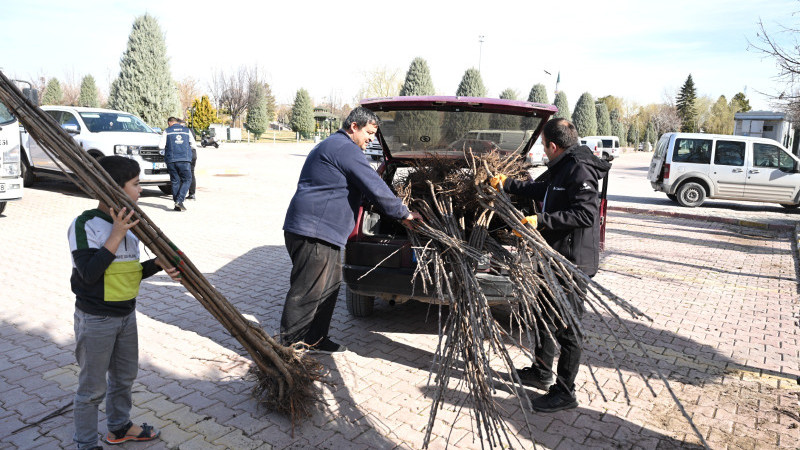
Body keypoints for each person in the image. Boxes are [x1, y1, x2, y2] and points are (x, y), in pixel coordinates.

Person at [490, 118, 611, 412]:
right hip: (553, 256)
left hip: (571, 262)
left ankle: (566, 391)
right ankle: (542, 371)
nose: (544, 152)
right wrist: (506, 184)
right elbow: (540, 189)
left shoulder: (580, 169)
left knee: (568, 327)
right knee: (544, 313)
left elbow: (585, 214)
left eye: (544, 147)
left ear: (554, 146)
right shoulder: (561, 167)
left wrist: (540, 221)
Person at [281, 107, 421, 352]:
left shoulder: (336, 146)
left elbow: (359, 191)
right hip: (314, 232)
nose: (371, 139)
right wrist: (404, 213)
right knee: (307, 292)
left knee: (328, 288)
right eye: (368, 133)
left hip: (322, 233)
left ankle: (316, 339)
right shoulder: (344, 148)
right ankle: (290, 348)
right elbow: (373, 184)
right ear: (353, 127)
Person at [68, 156, 181, 449]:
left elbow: (129, 272)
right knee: (91, 389)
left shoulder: (131, 226)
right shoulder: (85, 224)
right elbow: (91, 274)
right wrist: (116, 235)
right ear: (114, 188)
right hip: (96, 319)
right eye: (136, 183)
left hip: (126, 315)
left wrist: (157, 263)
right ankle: (85, 443)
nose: (140, 190)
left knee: (124, 378)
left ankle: (119, 428)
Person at [159, 117, 195, 211]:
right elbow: (193, 145)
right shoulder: (187, 130)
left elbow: (161, 146)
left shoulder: (167, 131)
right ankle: (179, 200)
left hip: (171, 160)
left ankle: (177, 205)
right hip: (184, 159)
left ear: (169, 123)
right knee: (187, 179)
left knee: (175, 181)